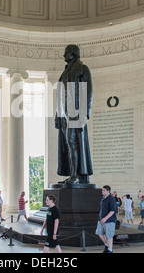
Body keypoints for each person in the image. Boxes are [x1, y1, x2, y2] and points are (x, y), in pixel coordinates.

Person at [55, 44, 94, 185]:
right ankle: (73, 174)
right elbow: (60, 95)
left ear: (74, 54)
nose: (64, 55)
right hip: (65, 114)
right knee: (68, 144)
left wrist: (85, 114)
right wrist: (58, 115)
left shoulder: (82, 69)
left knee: (73, 142)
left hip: (76, 112)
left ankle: (76, 176)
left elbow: (89, 92)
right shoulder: (64, 73)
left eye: (66, 53)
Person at [96, 186, 117, 253]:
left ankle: (110, 250)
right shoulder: (103, 198)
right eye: (102, 190)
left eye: (104, 190)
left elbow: (112, 210)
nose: (102, 191)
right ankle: (107, 244)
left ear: (108, 191)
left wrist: (105, 218)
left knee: (109, 235)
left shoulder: (111, 199)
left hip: (109, 220)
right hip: (101, 219)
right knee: (99, 233)